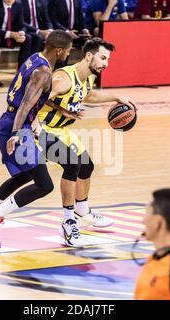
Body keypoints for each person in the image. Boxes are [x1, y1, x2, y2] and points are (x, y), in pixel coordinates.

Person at [0, 30, 73, 249]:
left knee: (26, 175)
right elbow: (26, 104)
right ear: (59, 50)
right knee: (44, 184)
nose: (69, 54)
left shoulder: (35, 57)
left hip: (11, 120)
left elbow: (35, 96)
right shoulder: (43, 71)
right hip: (16, 124)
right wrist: (17, 134)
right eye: (69, 50)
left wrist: (61, 109)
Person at [35, 38, 136, 247]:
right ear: (89, 56)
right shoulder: (63, 77)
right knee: (72, 166)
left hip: (61, 130)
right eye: (103, 58)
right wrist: (34, 122)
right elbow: (36, 96)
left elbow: (87, 96)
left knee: (86, 166)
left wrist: (116, 97)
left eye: (107, 59)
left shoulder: (87, 77)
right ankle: (68, 220)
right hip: (42, 129)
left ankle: (83, 210)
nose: (106, 63)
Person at [0, 0, 33, 87]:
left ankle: (21, 74)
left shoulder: (18, 4)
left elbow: (22, 24)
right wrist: (11, 34)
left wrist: (21, 33)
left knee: (27, 38)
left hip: (11, 36)